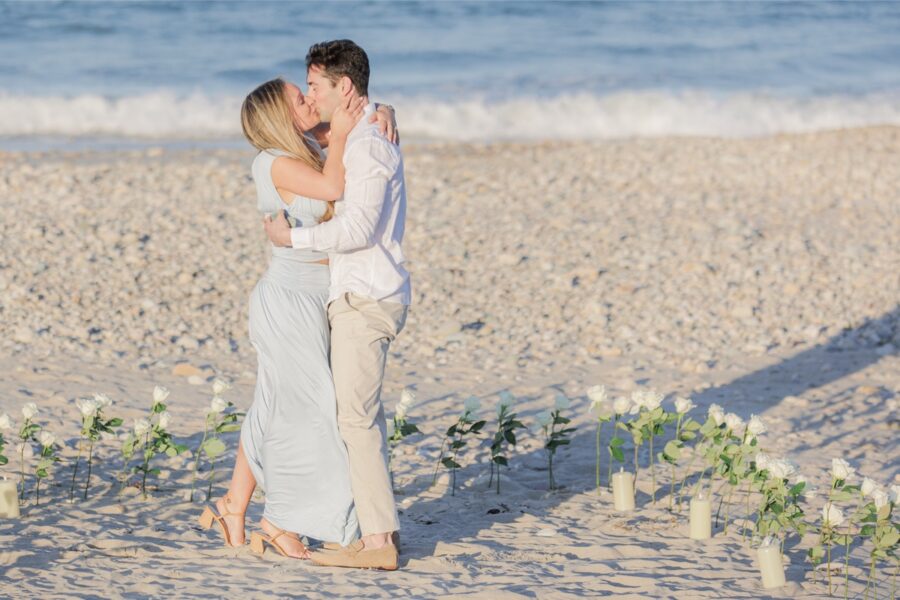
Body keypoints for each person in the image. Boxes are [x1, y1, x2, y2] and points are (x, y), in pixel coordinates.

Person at [198, 76, 397, 559]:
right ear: (279, 115)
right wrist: (347, 131)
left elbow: (354, 130)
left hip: (315, 298)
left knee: (272, 402)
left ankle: (232, 504)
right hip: (287, 299)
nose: (309, 99)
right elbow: (333, 185)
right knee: (309, 409)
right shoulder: (272, 162)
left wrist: (384, 109)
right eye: (298, 97)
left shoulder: (309, 145)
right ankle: (279, 519)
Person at [265, 39, 411, 571]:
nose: (310, 95)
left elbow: (358, 228)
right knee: (358, 417)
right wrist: (380, 108)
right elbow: (306, 134)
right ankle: (382, 532)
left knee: (356, 420)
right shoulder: (365, 131)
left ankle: (377, 546)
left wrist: (292, 242)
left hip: (366, 296)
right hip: (359, 293)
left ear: (343, 86)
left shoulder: (370, 143)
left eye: (315, 86)